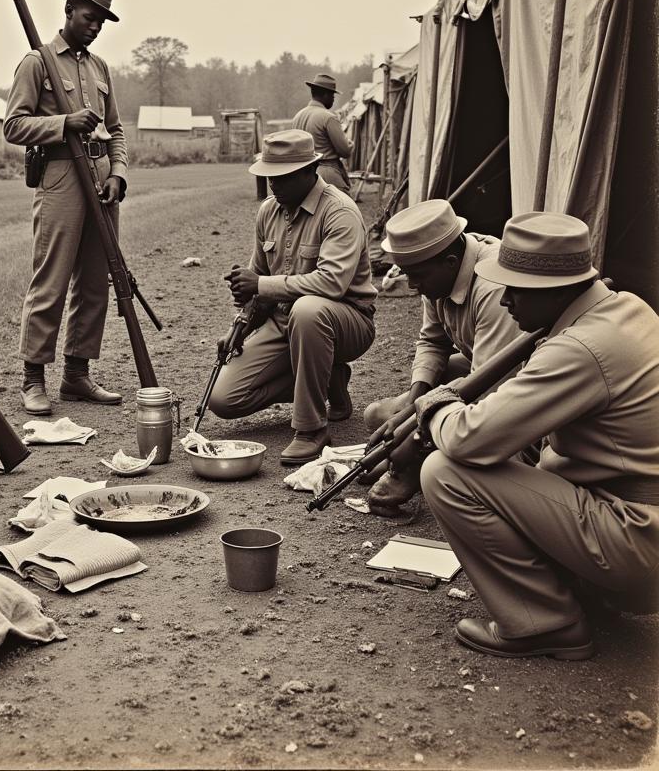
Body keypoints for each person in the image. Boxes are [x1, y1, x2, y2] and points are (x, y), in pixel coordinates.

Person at [401, 212, 659, 660]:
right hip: (635, 519)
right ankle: (581, 590)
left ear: (556, 290)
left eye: (515, 290)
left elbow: (467, 439)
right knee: (520, 457)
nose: (506, 303)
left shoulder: (579, 348)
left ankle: (544, 622)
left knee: (445, 471)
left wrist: (437, 406)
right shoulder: (625, 307)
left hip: (635, 537)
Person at [208, 129, 376, 464]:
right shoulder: (268, 211)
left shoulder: (339, 212)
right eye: (269, 177)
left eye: (282, 178)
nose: (274, 185)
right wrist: (240, 325)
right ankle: (328, 381)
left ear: (310, 172)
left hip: (345, 322)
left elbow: (330, 284)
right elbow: (260, 282)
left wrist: (260, 285)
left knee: (308, 310)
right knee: (224, 400)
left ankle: (311, 428)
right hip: (286, 323)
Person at [3, 0, 128, 416]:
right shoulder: (36, 63)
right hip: (59, 178)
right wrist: (63, 123)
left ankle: (76, 374)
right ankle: (33, 379)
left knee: (96, 281)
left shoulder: (100, 68)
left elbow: (115, 130)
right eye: (90, 17)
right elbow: (13, 126)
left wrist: (118, 173)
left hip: (100, 180)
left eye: (102, 22)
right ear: (70, 9)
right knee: (51, 280)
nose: (95, 27)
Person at [360, 199, 523, 515]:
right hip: (477, 372)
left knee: (415, 439)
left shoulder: (492, 287)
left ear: (449, 262)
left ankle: (418, 465)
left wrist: (416, 437)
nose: (411, 286)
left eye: (416, 277)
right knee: (378, 416)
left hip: (509, 389)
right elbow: (433, 342)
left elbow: (488, 395)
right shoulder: (437, 274)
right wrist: (412, 405)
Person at [291, 72, 352, 191]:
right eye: (332, 96)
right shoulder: (328, 117)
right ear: (325, 95)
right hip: (326, 172)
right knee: (342, 207)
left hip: (302, 173)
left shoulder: (297, 116)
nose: (333, 100)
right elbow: (344, 151)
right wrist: (350, 145)